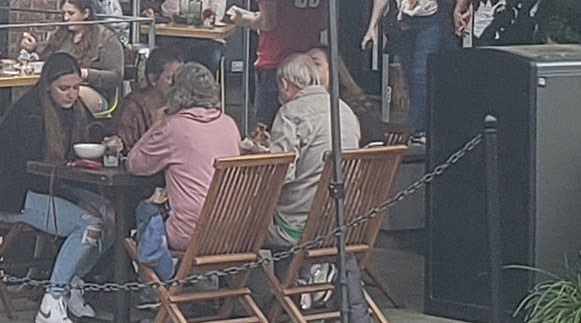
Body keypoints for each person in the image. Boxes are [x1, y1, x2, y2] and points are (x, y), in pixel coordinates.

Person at [0, 53, 109, 323]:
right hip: (17, 196)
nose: (71, 94)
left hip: (55, 187)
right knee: (89, 224)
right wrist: (76, 200)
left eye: (76, 87)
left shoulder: (74, 109)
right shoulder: (28, 114)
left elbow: (94, 132)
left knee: (112, 216)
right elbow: (29, 174)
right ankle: (52, 299)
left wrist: (107, 140)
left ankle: (72, 282)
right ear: (47, 86)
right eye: (64, 88)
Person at [264, 53, 371, 322]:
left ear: (285, 85)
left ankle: (281, 298)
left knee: (242, 224)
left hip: (297, 227)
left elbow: (280, 176)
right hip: (342, 222)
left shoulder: (290, 114)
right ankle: (303, 289)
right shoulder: (343, 110)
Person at [123, 63, 242, 279]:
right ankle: (186, 281)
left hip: (192, 232)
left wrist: (157, 124)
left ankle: (161, 281)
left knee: (145, 210)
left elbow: (135, 164)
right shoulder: (229, 124)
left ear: (177, 92)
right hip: (234, 229)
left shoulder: (175, 127)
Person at [360, 0, 460, 143]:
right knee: (408, 73)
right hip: (402, 20)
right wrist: (372, 27)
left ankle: (418, 128)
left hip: (429, 18)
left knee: (421, 71)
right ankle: (418, 124)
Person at [36, 0, 124, 114]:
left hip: (93, 91)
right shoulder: (61, 34)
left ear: (86, 13)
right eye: (64, 13)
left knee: (71, 94)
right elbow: (46, 58)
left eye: (71, 13)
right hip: (59, 87)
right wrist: (33, 48)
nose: (66, 18)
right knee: (41, 94)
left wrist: (86, 74)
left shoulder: (106, 38)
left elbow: (116, 76)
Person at [306, 46, 385, 145]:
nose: (308, 70)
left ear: (333, 70)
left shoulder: (356, 111)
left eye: (315, 64)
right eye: (304, 65)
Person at [110, 46, 184, 150]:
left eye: (181, 77)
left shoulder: (182, 107)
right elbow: (123, 148)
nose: (177, 83)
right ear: (153, 78)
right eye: (170, 77)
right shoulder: (132, 108)